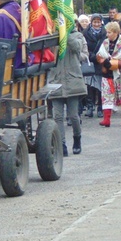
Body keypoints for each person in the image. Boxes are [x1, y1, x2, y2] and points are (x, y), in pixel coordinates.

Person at [47, 28, 88, 156]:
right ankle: (61, 144)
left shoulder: (78, 35)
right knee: (57, 116)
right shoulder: (51, 36)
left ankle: (77, 137)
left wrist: (66, 34)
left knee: (73, 115)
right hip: (56, 81)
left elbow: (79, 50)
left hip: (72, 81)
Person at [95, 22, 121, 127]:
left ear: (115, 32)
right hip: (107, 74)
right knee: (106, 95)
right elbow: (99, 54)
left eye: (109, 32)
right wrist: (103, 61)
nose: (107, 35)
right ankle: (106, 119)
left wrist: (117, 63)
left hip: (120, 74)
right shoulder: (105, 42)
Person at [82, 14, 106, 118]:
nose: (96, 24)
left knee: (101, 86)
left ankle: (100, 108)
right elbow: (84, 47)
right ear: (91, 22)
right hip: (90, 61)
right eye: (94, 22)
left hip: (102, 62)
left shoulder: (105, 33)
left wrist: (101, 56)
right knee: (90, 86)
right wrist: (93, 56)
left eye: (98, 22)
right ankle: (90, 107)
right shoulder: (85, 33)